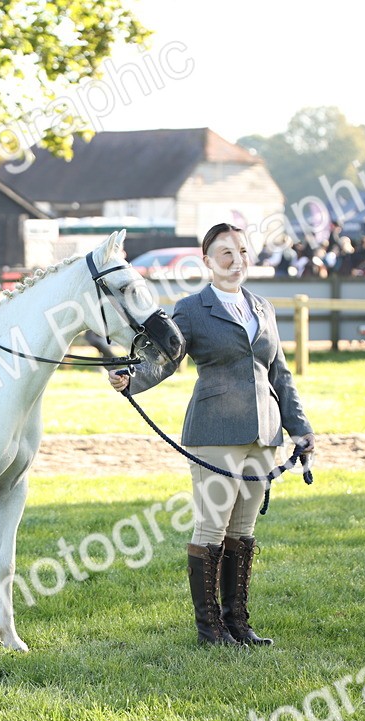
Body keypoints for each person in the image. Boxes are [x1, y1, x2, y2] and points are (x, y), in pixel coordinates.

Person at [108, 222, 315, 647]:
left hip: (265, 434)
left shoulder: (262, 307)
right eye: (226, 253)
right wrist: (132, 378)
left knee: (243, 532)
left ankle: (237, 623)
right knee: (212, 530)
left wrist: (301, 429)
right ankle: (210, 630)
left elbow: (279, 372)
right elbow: (166, 357)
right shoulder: (192, 308)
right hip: (214, 431)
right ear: (207, 261)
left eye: (242, 251)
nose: (236, 260)